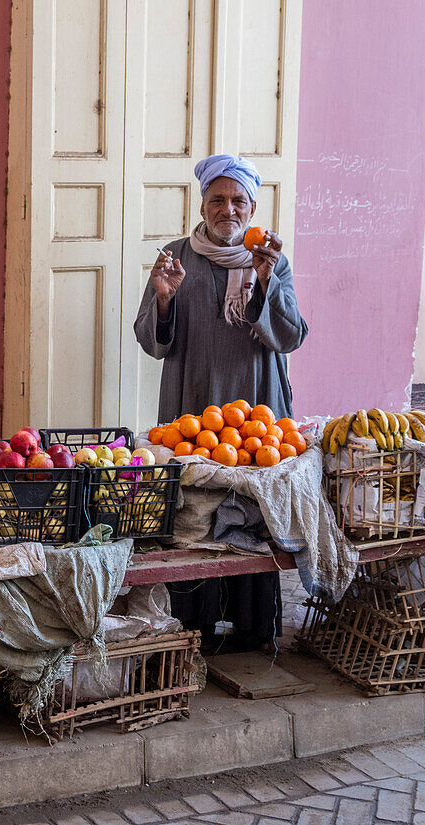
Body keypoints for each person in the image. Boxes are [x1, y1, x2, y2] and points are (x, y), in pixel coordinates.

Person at [134, 153, 308, 652]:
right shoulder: (174, 256)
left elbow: (291, 336)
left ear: (252, 208)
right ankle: (197, 626)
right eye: (217, 199)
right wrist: (164, 298)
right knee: (196, 509)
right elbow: (151, 339)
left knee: (254, 506)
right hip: (193, 405)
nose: (227, 209)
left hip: (256, 409)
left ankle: (254, 627)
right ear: (203, 203)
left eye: (238, 201)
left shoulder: (272, 260)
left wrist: (268, 279)